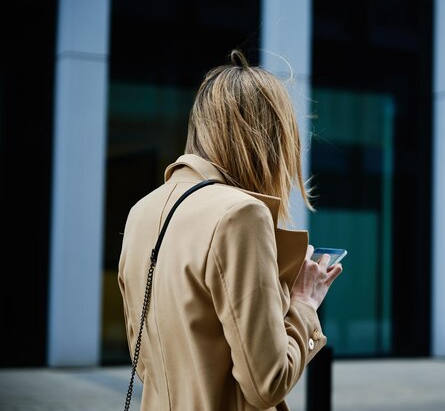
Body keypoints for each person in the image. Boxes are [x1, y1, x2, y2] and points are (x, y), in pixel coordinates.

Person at [117, 49, 343, 411]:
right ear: (272, 140)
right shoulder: (242, 215)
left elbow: (145, 362)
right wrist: (303, 303)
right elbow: (268, 382)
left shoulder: (142, 211)